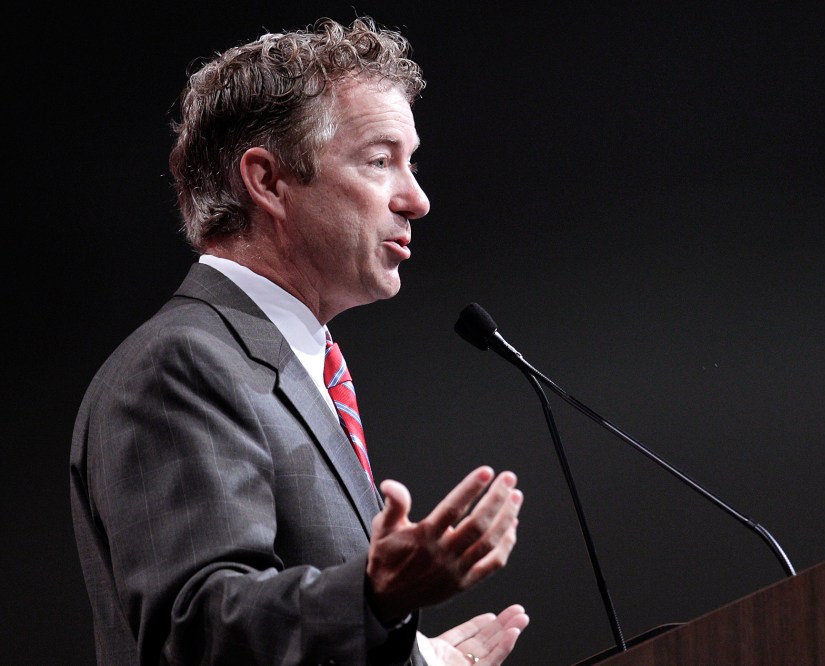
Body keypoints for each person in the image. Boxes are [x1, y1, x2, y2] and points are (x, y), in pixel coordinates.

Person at [69, 17, 528, 666]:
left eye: (411, 163)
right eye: (379, 161)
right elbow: (195, 634)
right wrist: (372, 595)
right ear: (269, 181)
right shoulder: (179, 365)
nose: (417, 199)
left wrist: (415, 659)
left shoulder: (297, 364)